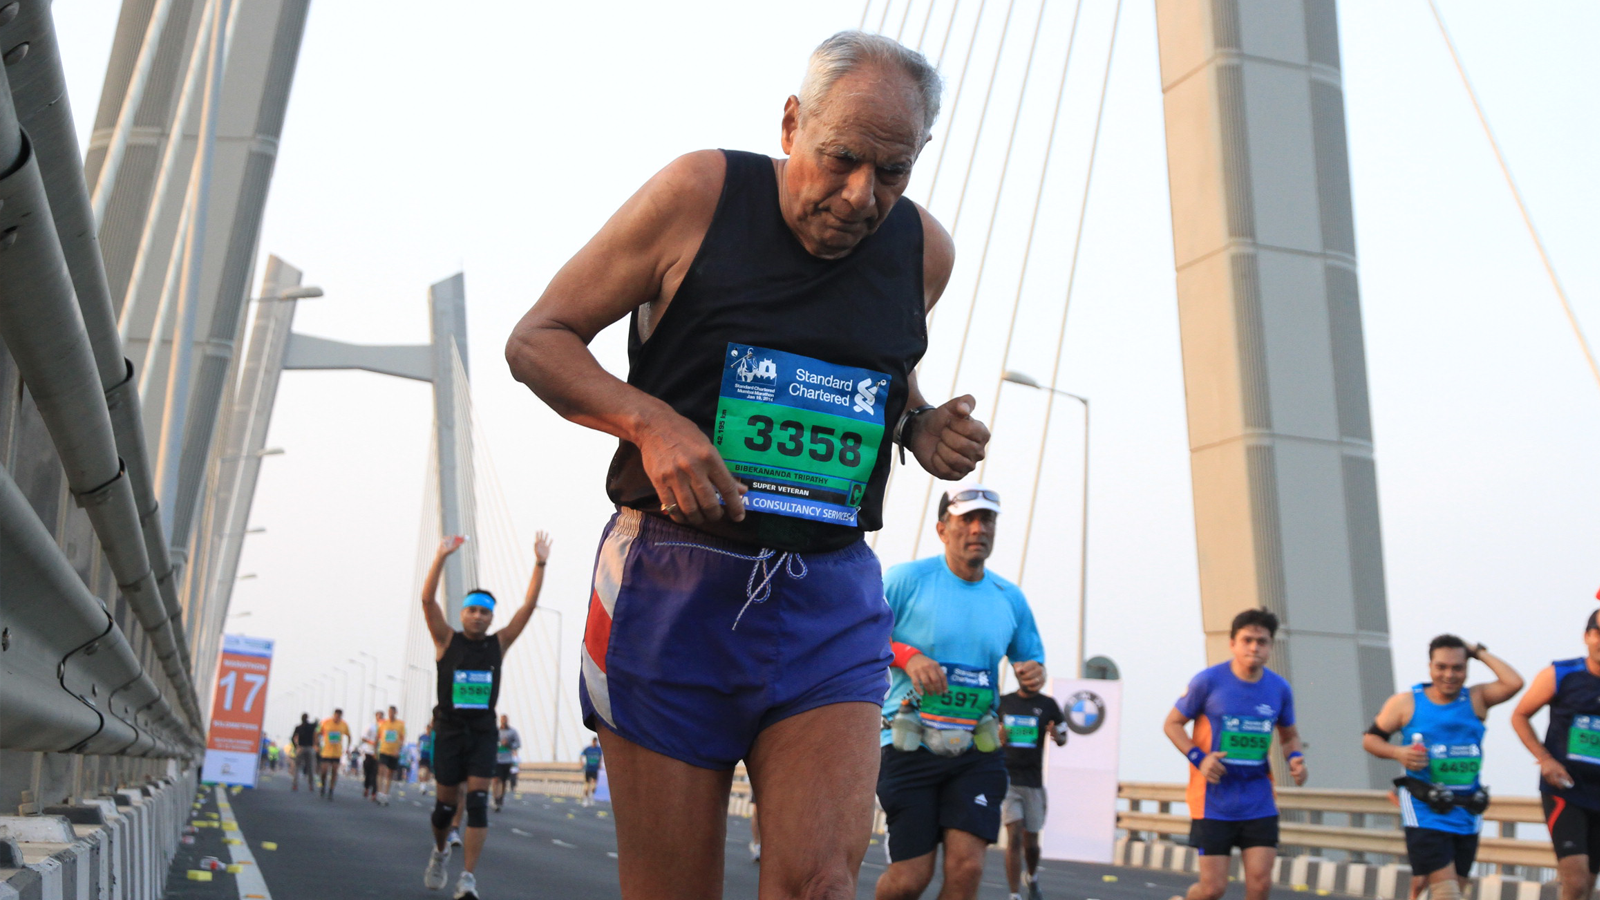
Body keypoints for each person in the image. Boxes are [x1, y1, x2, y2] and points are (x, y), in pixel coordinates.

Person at [506, 30, 988, 900]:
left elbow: (882, 366)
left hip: (829, 596)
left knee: (821, 886)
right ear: (792, 123)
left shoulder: (924, 251)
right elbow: (538, 341)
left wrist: (917, 424)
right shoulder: (699, 194)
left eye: (892, 172)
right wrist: (650, 423)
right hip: (672, 587)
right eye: (841, 158)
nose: (860, 196)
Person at [873, 483, 1044, 900]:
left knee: (966, 868)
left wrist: (1032, 674)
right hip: (909, 743)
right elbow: (860, 633)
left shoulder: (1009, 598)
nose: (977, 528)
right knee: (911, 878)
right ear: (941, 529)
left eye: (986, 519)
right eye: (966, 519)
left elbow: (1031, 660)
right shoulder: (906, 580)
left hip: (977, 751)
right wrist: (909, 656)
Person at [420, 531, 551, 900]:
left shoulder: (500, 643)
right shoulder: (446, 640)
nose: (478, 616)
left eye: (485, 612)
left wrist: (540, 563)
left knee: (477, 803)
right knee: (444, 808)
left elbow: (527, 607)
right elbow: (428, 600)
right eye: (472, 610)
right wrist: (441, 556)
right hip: (447, 731)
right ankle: (441, 851)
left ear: (491, 617)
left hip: (482, 731)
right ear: (462, 614)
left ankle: (468, 879)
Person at [1362, 636, 1522, 900]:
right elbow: (1370, 739)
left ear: (1466, 669)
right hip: (1425, 808)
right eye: (1442, 667)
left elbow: (1514, 682)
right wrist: (1397, 752)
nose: (1449, 675)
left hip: (1466, 810)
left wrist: (1478, 652)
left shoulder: (1476, 699)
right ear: (1430, 667)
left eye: (1457, 668)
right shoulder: (1406, 703)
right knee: (1448, 894)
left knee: (1454, 891)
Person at [1163, 609, 1307, 900]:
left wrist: (1295, 759)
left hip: (1259, 800)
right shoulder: (1208, 681)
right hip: (1213, 800)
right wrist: (1199, 758)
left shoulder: (1279, 688)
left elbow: (1289, 736)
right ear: (1233, 644)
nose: (1254, 647)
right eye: (1247, 640)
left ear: (1270, 646)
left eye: (1262, 641)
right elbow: (1172, 724)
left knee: (1260, 885)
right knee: (1213, 889)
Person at [1511, 609, 1600, 900]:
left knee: (1587, 884)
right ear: (1588, 636)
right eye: (1599, 632)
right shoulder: (1561, 674)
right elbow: (1520, 716)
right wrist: (1545, 759)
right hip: (1566, 789)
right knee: (1575, 881)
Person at [999, 686, 1067, 900]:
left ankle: (1032, 875)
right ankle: (1014, 894)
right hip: (1008, 780)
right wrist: (997, 736)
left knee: (1031, 841)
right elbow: (985, 731)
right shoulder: (1003, 702)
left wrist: (1057, 736)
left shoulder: (1048, 704)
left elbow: (1064, 736)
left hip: (1033, 782)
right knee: (1014, 835)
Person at [315, 709, 352, 800]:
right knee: (324, 771)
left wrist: (348, 748)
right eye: (336, 716)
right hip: (326, 751)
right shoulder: (325, 722)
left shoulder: (344, 724)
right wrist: (316, 745)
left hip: (337, 752)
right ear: (333, 715)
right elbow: (316, 732)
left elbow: (349, 736)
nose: (337, 718)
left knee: (334, 771)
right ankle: (323, 786)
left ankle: (331, 790)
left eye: (339, 717)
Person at [378, 705, 407, 806]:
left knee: (390, 773)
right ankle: (380, 792)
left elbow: (402, 739)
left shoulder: (400, 725)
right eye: (389, 712)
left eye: (392, 712)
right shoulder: (383, 723)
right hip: (383, 750)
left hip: (394, 751)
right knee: (382, 770)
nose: (390, 714)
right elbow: (378, 736)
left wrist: (398, 750)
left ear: (396, 713)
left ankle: (386, 793)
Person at [492, 715, 522, 812]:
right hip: (496, 759)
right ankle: (496, 798)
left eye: (505, 720)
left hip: (507, 759)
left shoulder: (512, 732)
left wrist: (508, 744)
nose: (504, 722)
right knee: (496, 779)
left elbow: (518, 744)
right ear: (500, 721)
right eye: (502, 720)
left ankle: (501, 797)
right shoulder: (495, 731)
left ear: (507, 721)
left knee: (504, 781)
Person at [291, 714, 318, 792]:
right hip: (310, 748)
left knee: (297, 767)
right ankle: (311, 785)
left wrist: (296, 746)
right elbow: (316, 725)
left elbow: (293, 738)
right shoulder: (311, 726)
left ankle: (295, 785)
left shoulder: (298, 727)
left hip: (301, 747)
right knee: (311, 768)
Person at [579, 738, 603, 808]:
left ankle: (591, 796)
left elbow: (600, 757)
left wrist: (599, 763)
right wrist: (581, 762)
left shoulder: (598, 749)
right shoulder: (588, 749)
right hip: (588, 769)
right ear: (592, 742)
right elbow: (581, 754)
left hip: (595, 769)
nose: (594, 743)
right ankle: (585, 799)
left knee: (594, 786)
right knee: (586, 785)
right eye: (593, 742)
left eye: (595, 742)